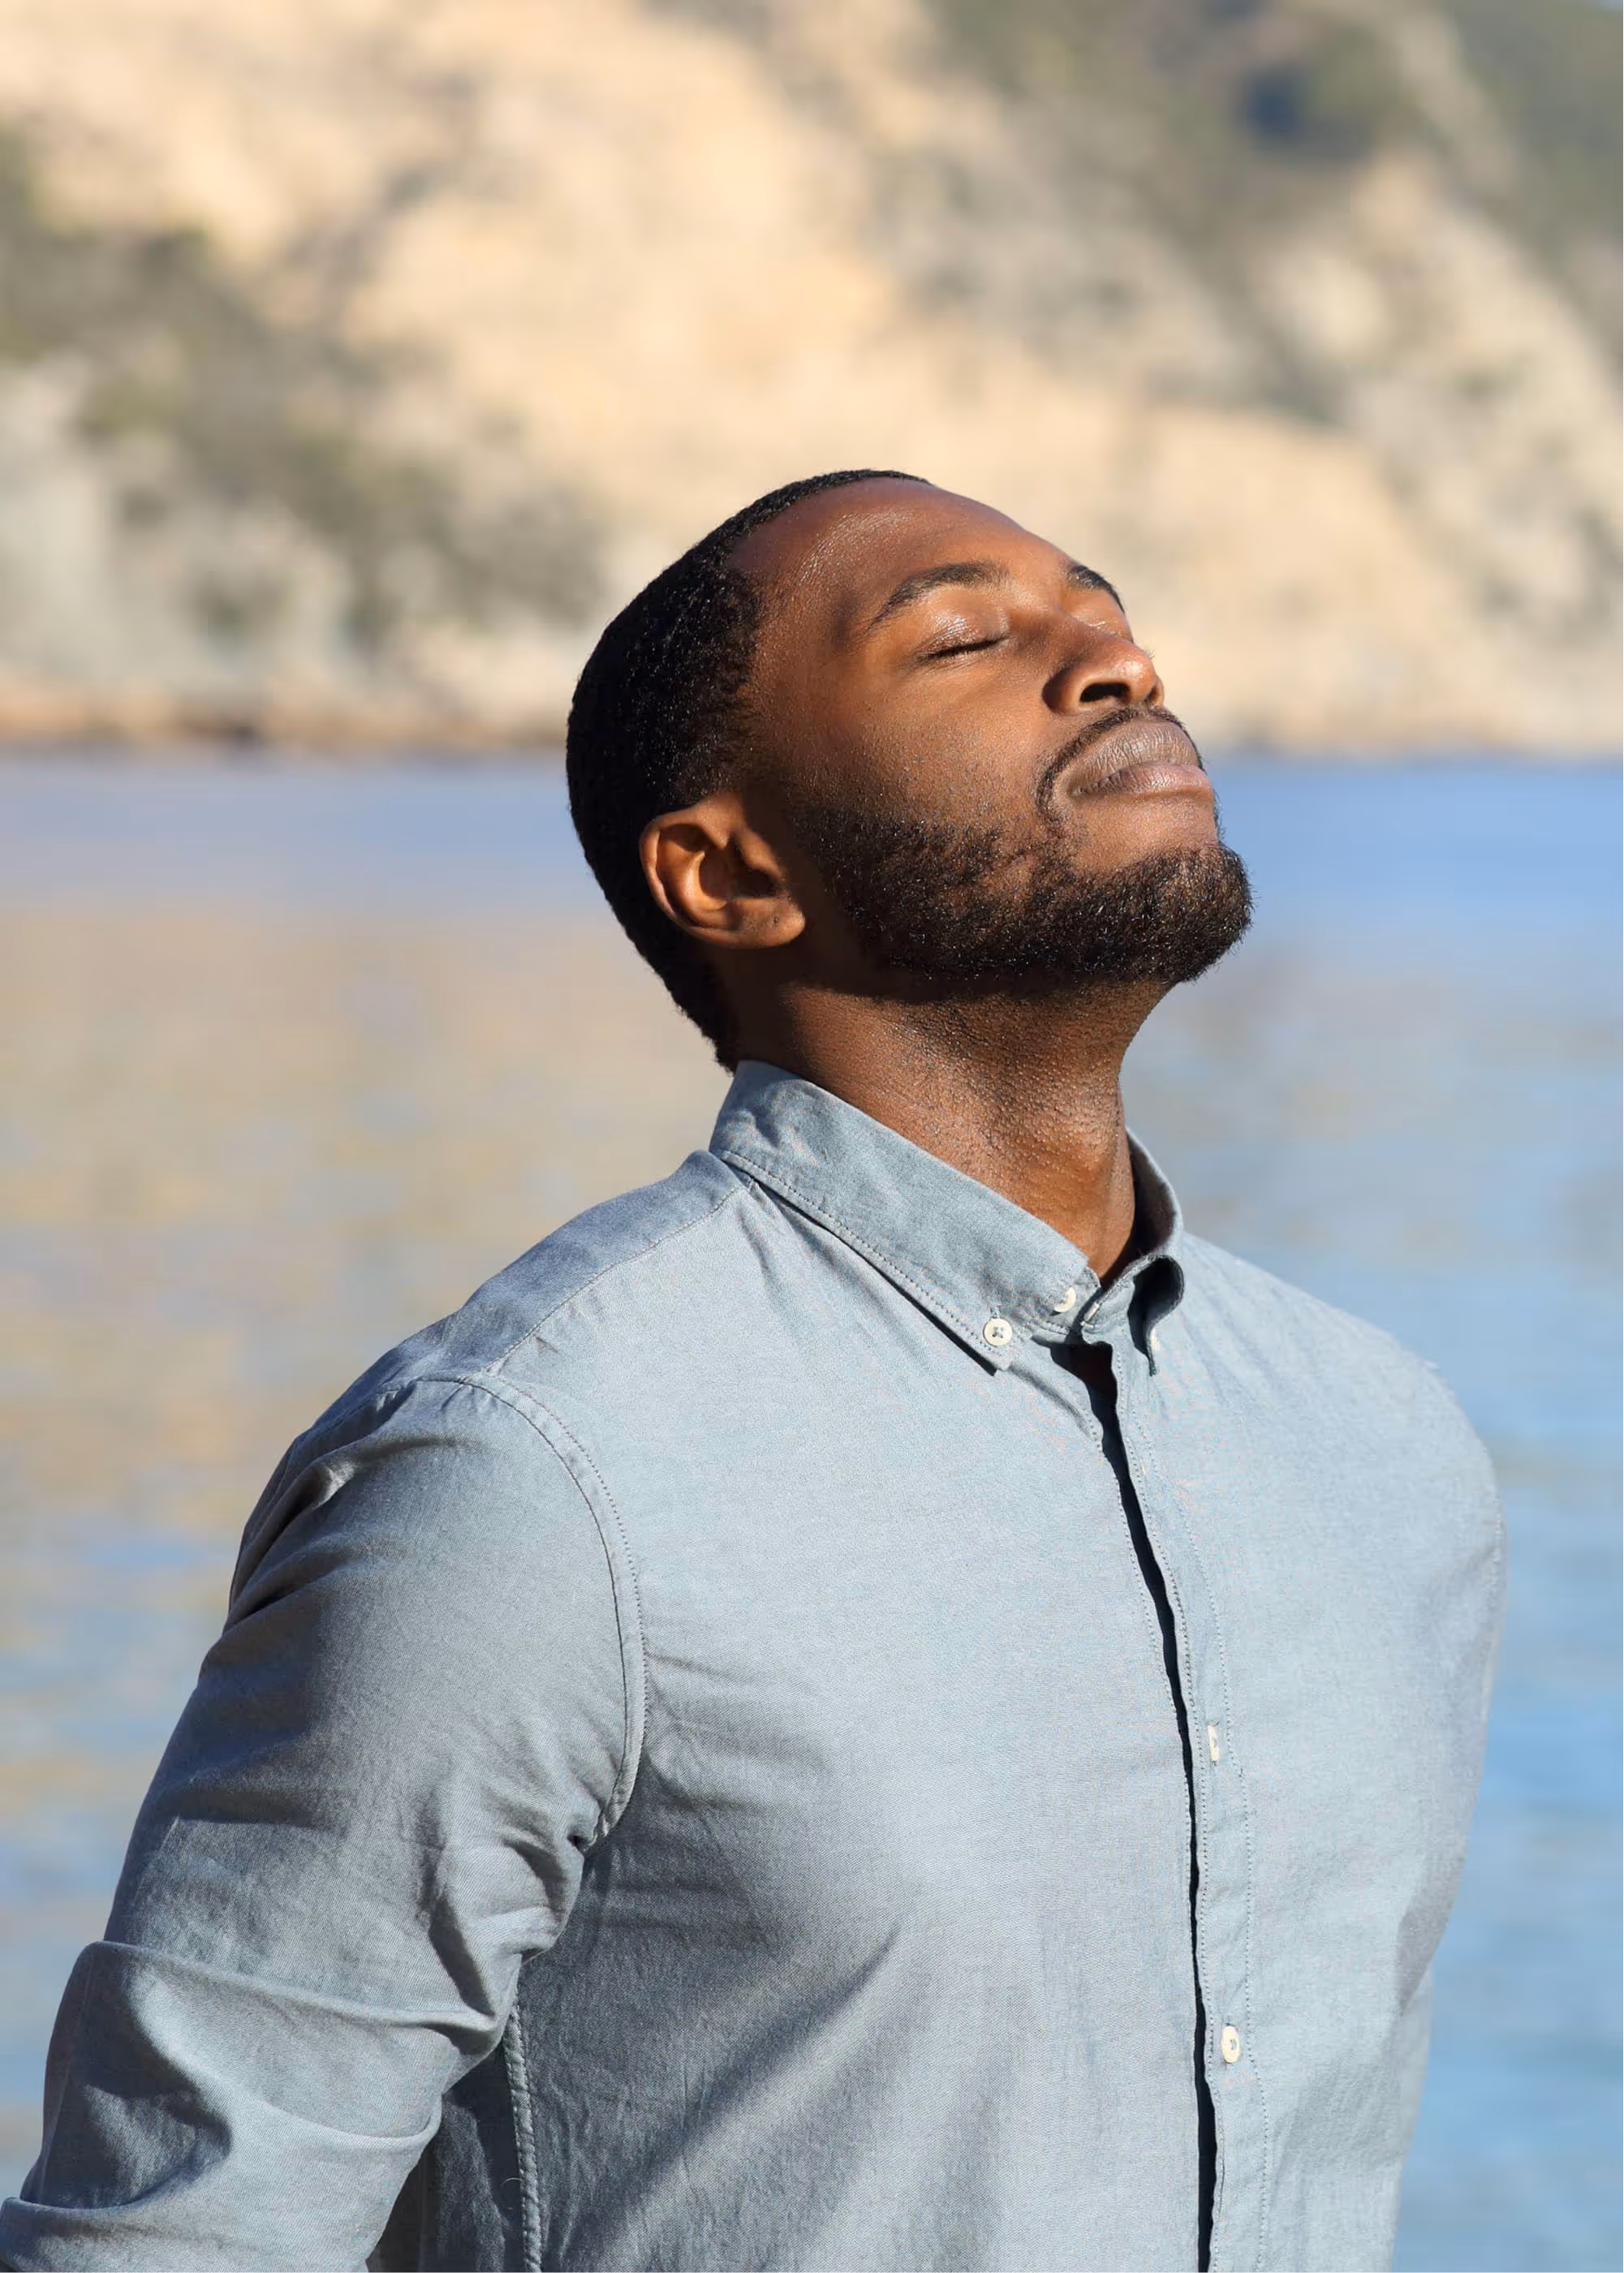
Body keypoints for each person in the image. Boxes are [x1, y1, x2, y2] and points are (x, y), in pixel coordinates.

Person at [0, 471, 1504, 2273]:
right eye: (965, 636)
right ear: (730, 872)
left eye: (1102, 608)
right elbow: (175, 2235)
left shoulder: (1378, 1442)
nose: (1111, 659)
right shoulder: (529, 1476)